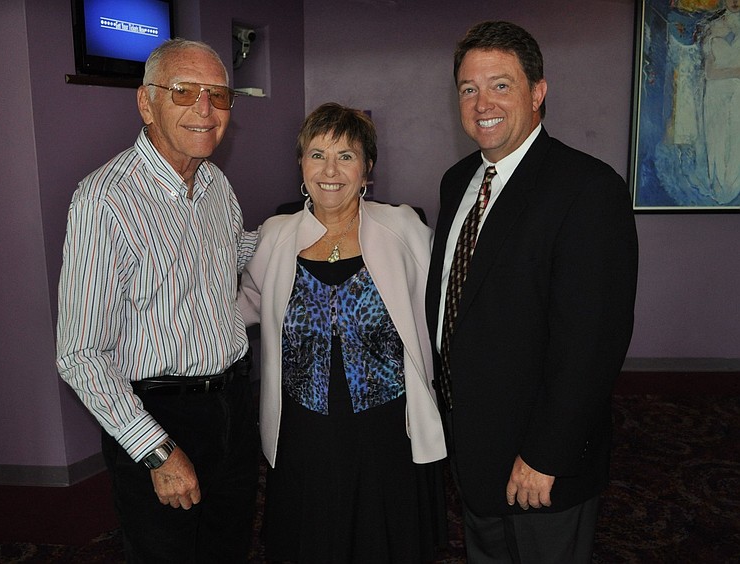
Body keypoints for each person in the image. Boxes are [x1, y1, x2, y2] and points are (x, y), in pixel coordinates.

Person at [425, 21, 639, 563]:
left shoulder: (588, 190)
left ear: (538, 91)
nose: (482, 103)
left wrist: (546, 454)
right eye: (469, 89)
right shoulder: (458, 182)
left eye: (500, 85)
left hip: (539, 465)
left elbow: (592, 342)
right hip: (473, 454)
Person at [56, 38, 260, 563]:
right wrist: (157, 451)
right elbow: (80, 354)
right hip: (159, 416)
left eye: (219, 95)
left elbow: (236, 255)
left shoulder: (216, 185)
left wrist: (318, 224)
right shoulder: (106, 200)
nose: (205, 109)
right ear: (146, 103)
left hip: (233, 405)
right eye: (184, 92)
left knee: (228, 548)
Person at [238, 102, 447, 563]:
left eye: (346, 156)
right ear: (301, 165)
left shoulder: (403, 229)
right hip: (303, 432)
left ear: (367, 168)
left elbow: (444, 307)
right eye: (317, 154)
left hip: (385, 432)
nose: (330, 170)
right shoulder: (274, 236)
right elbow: (241, 306)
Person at [703, 0, 740, 203]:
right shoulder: (712, 26)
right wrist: (735, 72)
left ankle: (733, 187)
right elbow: (709, 73)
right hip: (715, 93)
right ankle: (718, 186)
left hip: (739, 93)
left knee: (736, 139)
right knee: (716, 138)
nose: (734, 2)